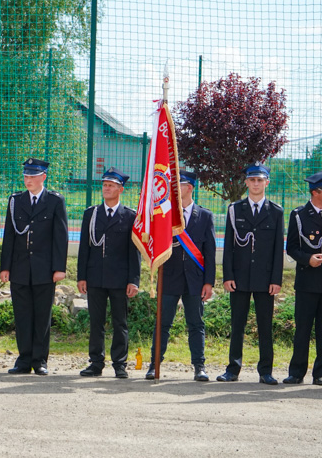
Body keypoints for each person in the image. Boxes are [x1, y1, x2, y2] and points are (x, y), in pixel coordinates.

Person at [144, 170, 216, 381]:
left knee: (196, 324)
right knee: (162, 323)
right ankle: (154, 364)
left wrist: (209, 282)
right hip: (169, 276)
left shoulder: (205, 216)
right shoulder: (165, 214)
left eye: (180, 185)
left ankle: (199, 366)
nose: (174, 189)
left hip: (195, 279)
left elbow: (210, 253)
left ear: (190, 188)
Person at [0, 158, 68, 376]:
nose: (28, 180)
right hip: (20, 268)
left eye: (32, 176)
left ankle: (39, 360)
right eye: (26, 176)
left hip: (44, 269)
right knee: (22, 315)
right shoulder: (15, 201)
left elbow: (60, 237)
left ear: (43, 177)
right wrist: (5, 266)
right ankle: (23, 359)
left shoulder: (55, 201)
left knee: (41, 316)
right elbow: (9, 236)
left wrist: (59, 268)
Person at [218, 164, 284, 384]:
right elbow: (228, 246)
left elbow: (277, 249)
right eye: (252, 180)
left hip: (266, 280)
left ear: (267, 182)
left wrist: (276, 279)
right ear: (246, 183)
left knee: (265, 327)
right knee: (237, 325)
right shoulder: (235, 209)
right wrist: (227, 275)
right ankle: (232, 370)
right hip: (239, 277)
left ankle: (266, 371)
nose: (256, 184)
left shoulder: (276, 211)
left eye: (260, 180)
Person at [283, 172, 322, 386]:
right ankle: (297, 372)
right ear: (315, 192)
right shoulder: (299, 215)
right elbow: (291, 247)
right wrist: (307, 259)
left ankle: (321, 373)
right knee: (303, 328)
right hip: (307, 281)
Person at [76, 167, 140, 379]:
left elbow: (134, 252)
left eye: (111, 185)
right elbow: (84, 248)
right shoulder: (91, 214)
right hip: (95, 277)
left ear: (120, 189)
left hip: (119, 279)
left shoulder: (129, 216)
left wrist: (133, 280)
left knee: (119, 322)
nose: (106, 188)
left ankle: (120, 363)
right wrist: (82, 276)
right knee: (96, 321)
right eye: (104, 185)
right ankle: (95, 362)